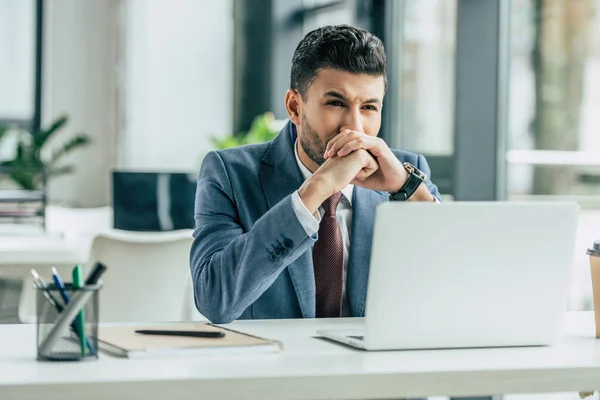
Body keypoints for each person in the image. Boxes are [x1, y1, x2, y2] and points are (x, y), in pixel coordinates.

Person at [191, 24, 441, 325]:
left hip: (375, 368)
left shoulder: (407, 175)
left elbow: (457, 286)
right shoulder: (229, 174)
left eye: (369, 107)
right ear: (295, 107)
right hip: (275, 368)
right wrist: (316, 190)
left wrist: (410, 189)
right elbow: (215, 300)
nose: (355, 128)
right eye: (336, 103)